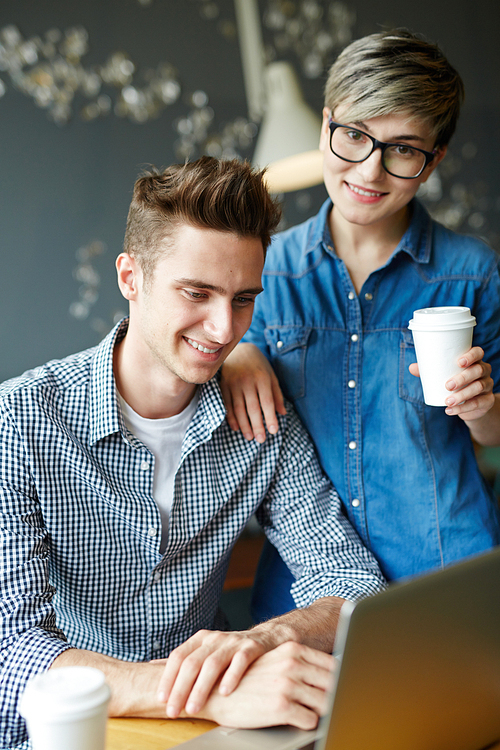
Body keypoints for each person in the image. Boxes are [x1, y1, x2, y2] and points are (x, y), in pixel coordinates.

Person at [0, 156, 386, 749]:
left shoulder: (258, 416)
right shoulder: (21, 419)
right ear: (131, 278)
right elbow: (12, 651)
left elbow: (352, 579)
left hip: (218, 733)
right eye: (197, 293)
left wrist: (261, 642)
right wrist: (203, 688)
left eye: (242, 299)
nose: (222, 328)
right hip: (84, 728)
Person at [220, 29, 500, 623]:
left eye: (402, 149)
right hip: (305, 592)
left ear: (434, 160)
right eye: (353, 136)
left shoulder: (471, 272)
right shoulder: (267, 271)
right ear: (326, 127)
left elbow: (495, 435)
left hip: (445, 574)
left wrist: (482, 410)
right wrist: (235, 354)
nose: (370, 171)